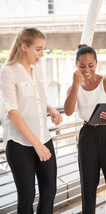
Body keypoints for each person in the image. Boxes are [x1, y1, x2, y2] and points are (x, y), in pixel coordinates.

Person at [0, 27, 62, 214]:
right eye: (38, 49)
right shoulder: (7, 72)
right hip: (20, 143)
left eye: (43, 49)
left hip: (43, 137)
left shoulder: (38, 71)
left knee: (49, 189)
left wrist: (51, 108)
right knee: (27, 196)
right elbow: (12, 112)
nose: (42, 54)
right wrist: (37, 144)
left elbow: (37, 100)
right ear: (24, 47)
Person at [64, 45, 106, 214]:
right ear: (76, 65)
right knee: (88, 183)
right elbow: (68, 111)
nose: (87, 69)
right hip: (87, 135)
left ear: (96, 63)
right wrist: (75, 84)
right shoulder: (74, 87)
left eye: (90, 65)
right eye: (82, 66)